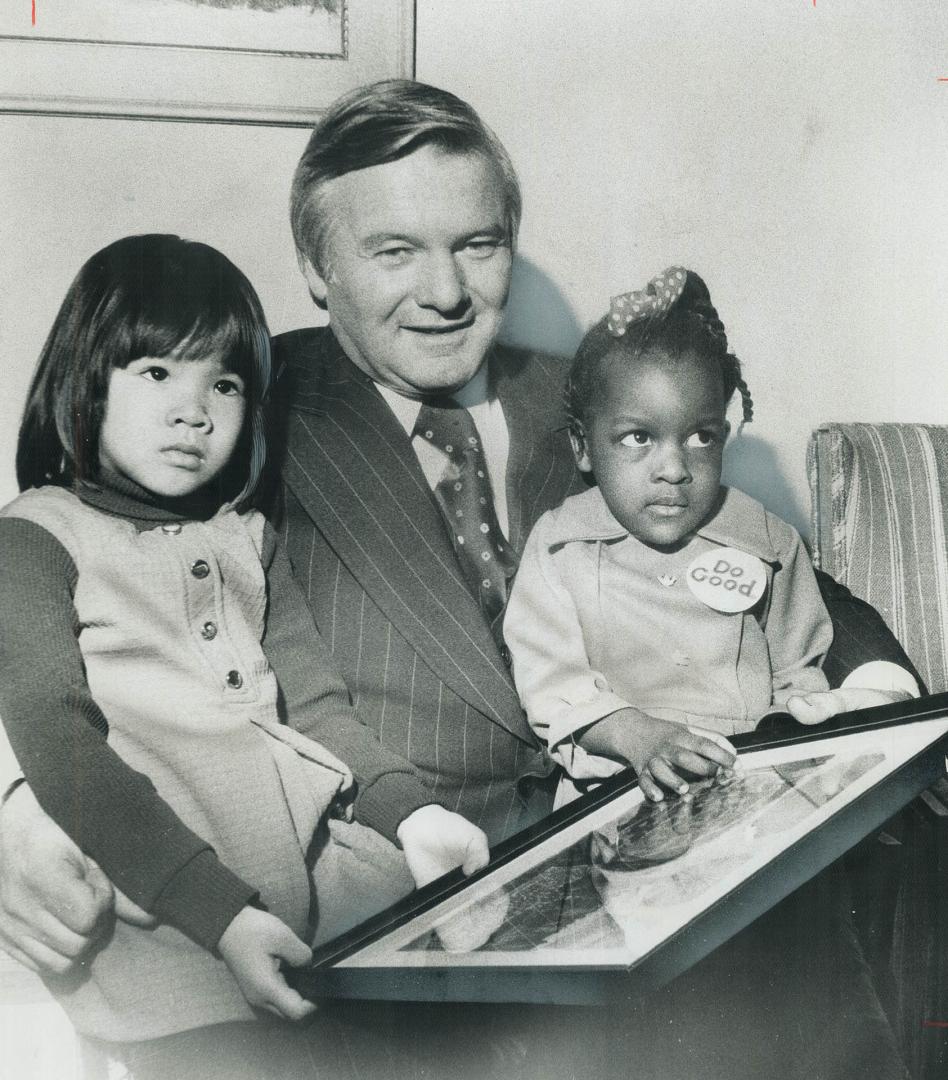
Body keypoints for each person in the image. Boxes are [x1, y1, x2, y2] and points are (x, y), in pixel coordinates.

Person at [0, 79, 922, 1078]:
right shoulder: (240, 401)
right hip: (408, 939)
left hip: (665, 881)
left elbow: (771, 566)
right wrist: (11, 803)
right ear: (317, 267)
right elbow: (68, 571)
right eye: (394, 251)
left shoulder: (589, 392)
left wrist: (887, 703)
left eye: (476, 245)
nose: (444, 292)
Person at [0, 233, 490, 1051]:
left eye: (222, 383)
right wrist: (220, 917)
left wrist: (412, 813)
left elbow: (318, 707)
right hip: (170, 914)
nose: (194, 410)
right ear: (84, 380)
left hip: (312, 878)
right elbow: (58, 744)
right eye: (156, 373)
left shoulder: (248, 536)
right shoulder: (34, 538)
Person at [505, 266, 901, 803]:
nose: (673, 468)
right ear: (583, 446)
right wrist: (639, 737)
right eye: (638, 437)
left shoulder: (767, 540)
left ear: (725, 436)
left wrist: (790, 729)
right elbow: (551, 682)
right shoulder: (560, 546)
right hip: (612, 791)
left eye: (699, 436)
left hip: (749, 783)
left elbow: (800, 667)